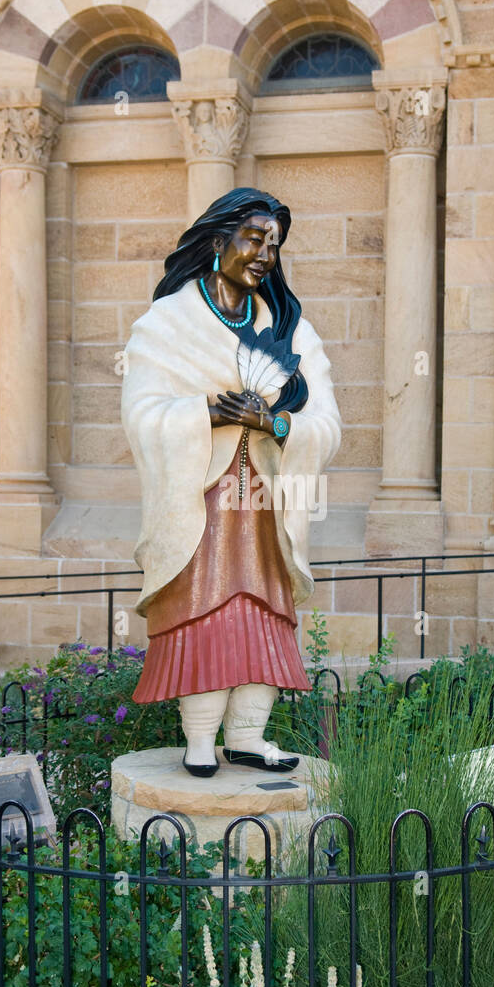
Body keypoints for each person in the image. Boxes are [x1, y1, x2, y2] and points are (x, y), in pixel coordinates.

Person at [120, 188, 341, 776]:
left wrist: (272, 421)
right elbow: (140, 413)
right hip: (202, 506)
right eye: (253, 238)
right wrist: (208, 414)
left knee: (265, 615)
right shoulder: (168, 323)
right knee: (205, 612)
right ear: (218, 242)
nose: (265, 253)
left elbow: (327, 423)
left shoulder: (292, 332)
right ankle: (198, 741)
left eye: (274, 243)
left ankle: (248, 736)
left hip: (266, 501)